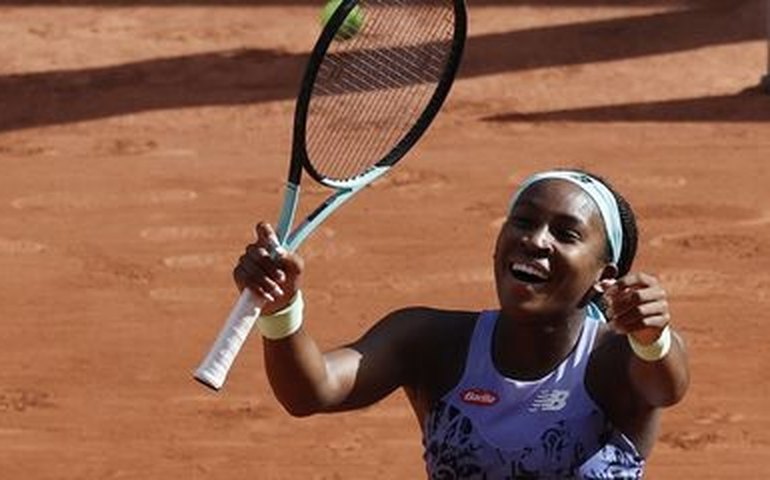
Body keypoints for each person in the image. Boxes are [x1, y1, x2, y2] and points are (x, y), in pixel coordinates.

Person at [233, 169, 690, 479]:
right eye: (523, 221)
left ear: (603, 277)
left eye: (566, 234)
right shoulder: (429, 342)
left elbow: (667, 385)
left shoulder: (615, 358)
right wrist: (281, 311)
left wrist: (653, 339)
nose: (535, 240)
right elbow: (311, 391)